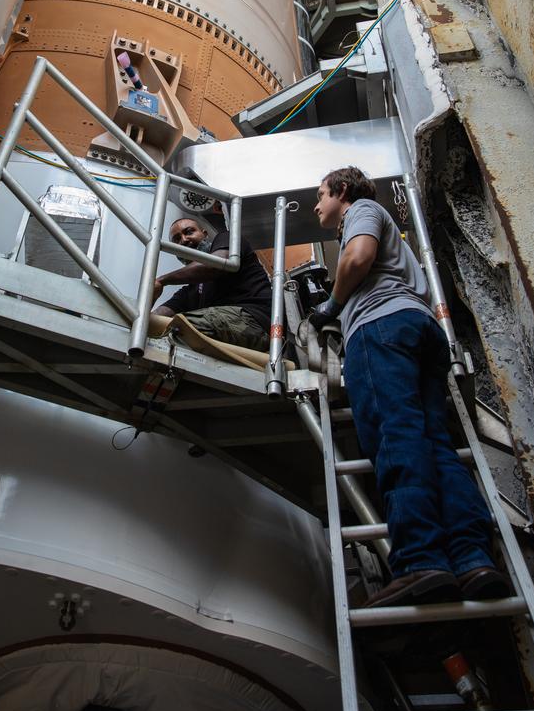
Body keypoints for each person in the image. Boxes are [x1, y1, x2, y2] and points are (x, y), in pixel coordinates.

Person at [308, 166, 507, 608]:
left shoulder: (360, 209)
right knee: (436, 445)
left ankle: (421, 561)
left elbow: (357, 258)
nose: (317, 204)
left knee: (395, 436)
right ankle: (472, 559)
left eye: (321, 194)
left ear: (341, 190)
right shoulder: (379, 221)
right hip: (417, 327)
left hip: (380, 328)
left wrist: (331, 306)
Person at [152, 216, 271, 351]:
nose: (184, 240)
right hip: (226, 331)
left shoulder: (227, 239)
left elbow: (216, 265)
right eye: (177, 239)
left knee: (180, 328)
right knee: (159, 337)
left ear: (205, 234)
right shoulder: (189, 292)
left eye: (189, 232)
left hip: (255, 321)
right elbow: (159, 317)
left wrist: (162, 280)